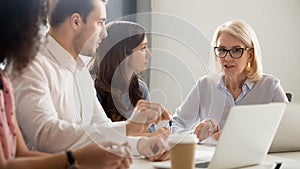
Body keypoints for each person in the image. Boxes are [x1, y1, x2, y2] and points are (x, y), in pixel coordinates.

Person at [7, 0, 170, 161]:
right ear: (76, 21)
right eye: (100, 22)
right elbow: (45, 134)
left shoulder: (79, 70)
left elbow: (101, 127)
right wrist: (127, 128)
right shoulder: (30, 64)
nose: (105, 33)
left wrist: (143, 145)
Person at [172, 20, 289, 141]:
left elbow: (289, 131)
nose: (227, 58)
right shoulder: (205, 85)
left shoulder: (270, 86)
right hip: (212, 158)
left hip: (257, 158)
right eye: (222, 50)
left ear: (250, 55)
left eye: (236, 50)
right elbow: (173, 125)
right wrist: (195, 136)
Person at [91, 21, 169, 136]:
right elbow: (101, 136)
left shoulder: (140, 88)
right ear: (123, 54)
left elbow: (149, 132)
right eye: (143, 48)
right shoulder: (94, 90)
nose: (149, 54)